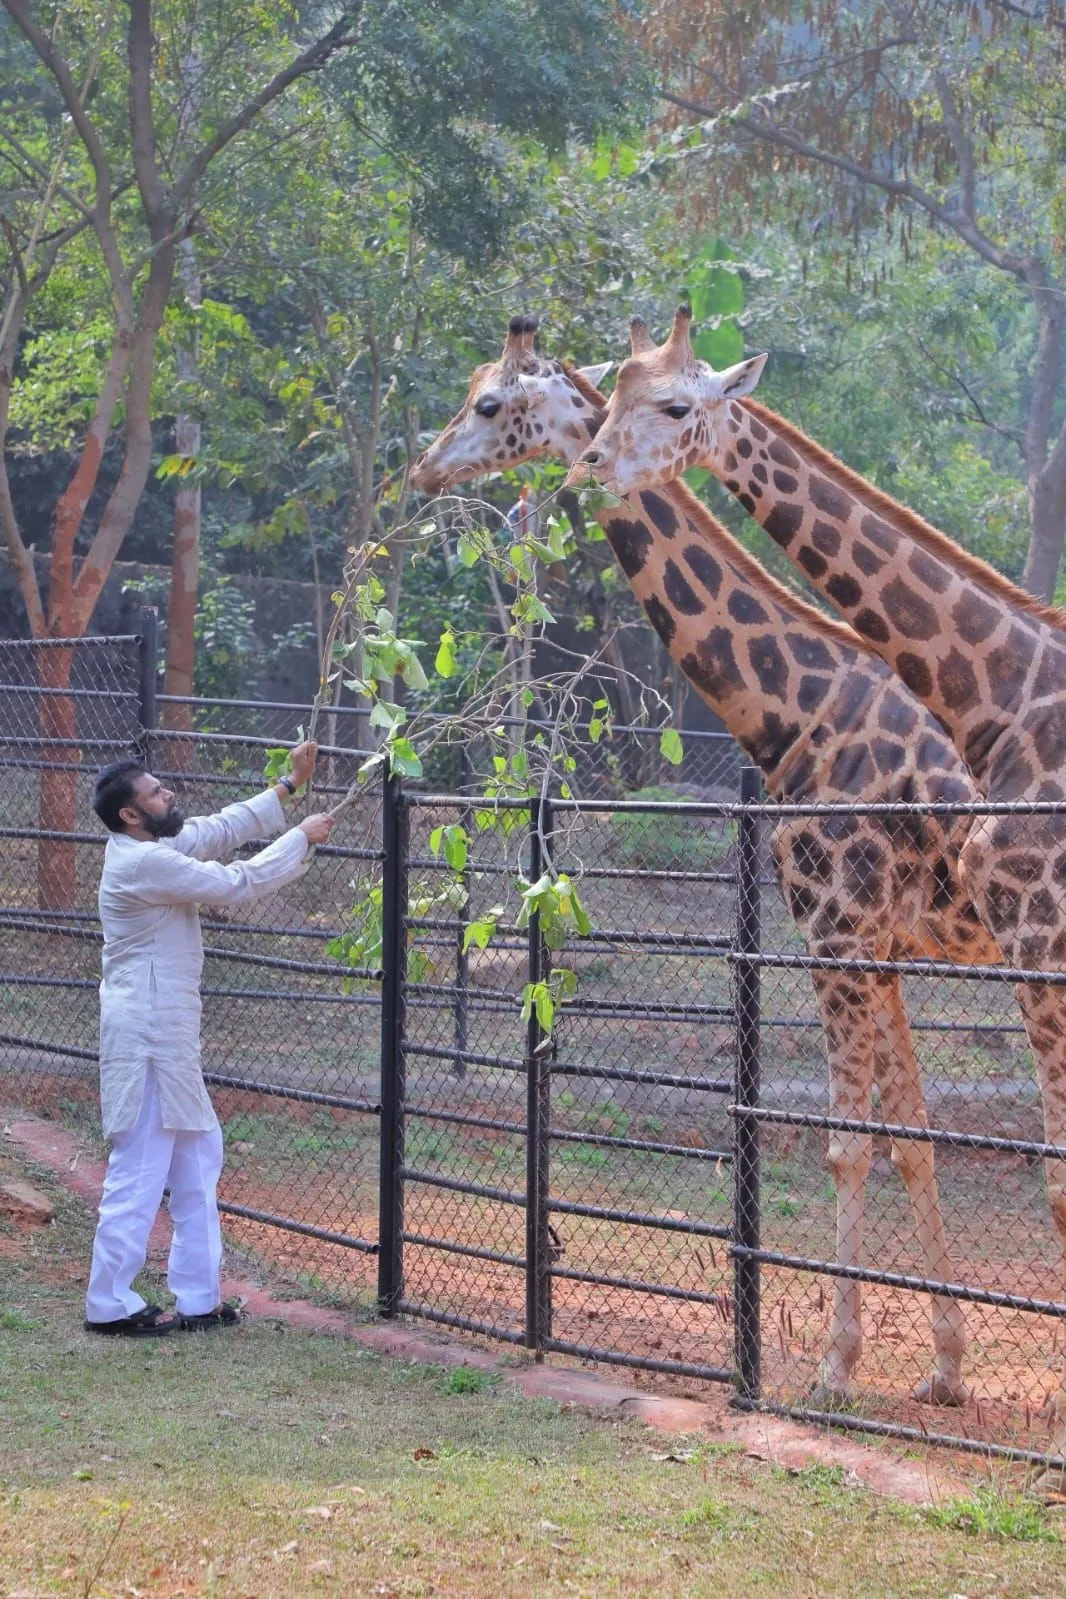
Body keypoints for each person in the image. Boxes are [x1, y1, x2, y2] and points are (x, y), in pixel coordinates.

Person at [84, 741, 336, 1337]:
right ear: (130, 814)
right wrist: (299, 837)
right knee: (141, 1169)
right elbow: (234, 883)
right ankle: (107, 1302)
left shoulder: (154, 845)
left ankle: (198, 1298)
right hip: (147, 1037)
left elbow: (218, 829)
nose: (166, 794)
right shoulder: (142, 864)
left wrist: (287, 787)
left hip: (169, 1036)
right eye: (154, 793)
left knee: (198, 1162)